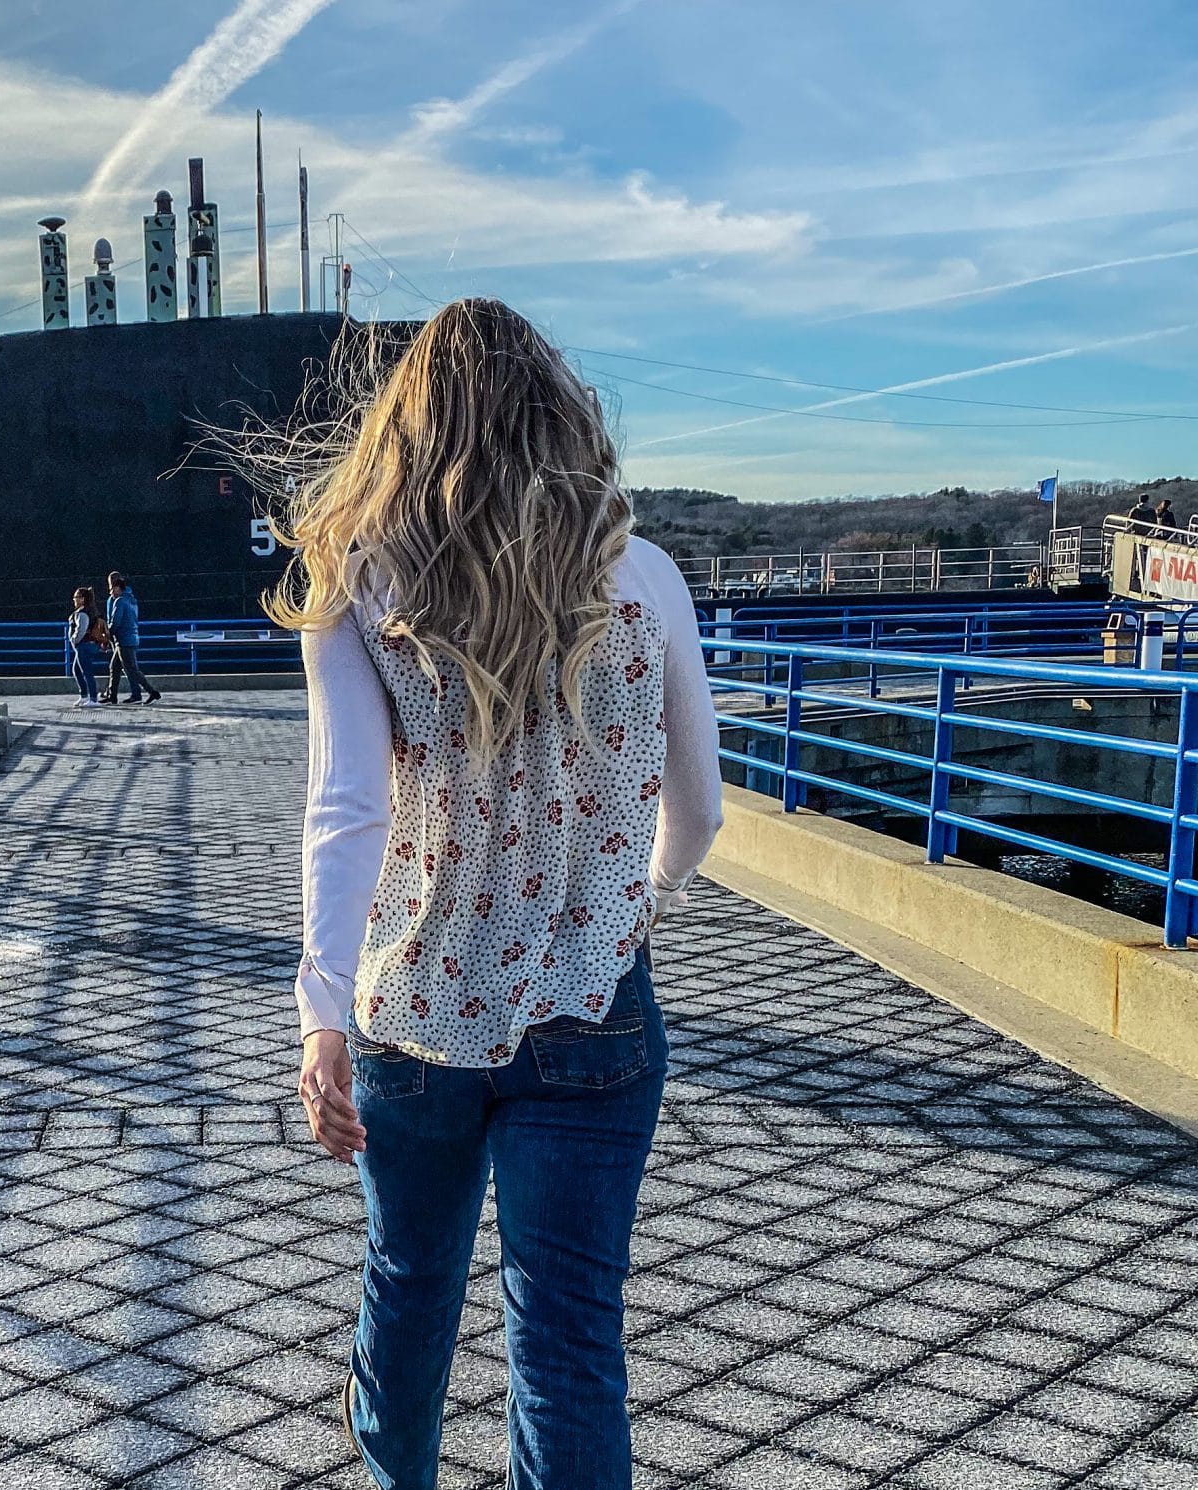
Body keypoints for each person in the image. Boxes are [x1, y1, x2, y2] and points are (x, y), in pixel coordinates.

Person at [273, 299, 723, 1488]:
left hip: (415, 1009)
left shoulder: (356, 581)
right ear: (560, 412)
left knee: (407, 1284)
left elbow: (346, 812)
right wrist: (632, 906)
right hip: (593, 1008)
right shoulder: (648, 578)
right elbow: (700, 813)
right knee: (568, 1336)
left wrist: (321, 1007)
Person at [101, 571, 161, 705]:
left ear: (117, 587)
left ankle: (152, 692)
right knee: (115, 667)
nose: (110, 592)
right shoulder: (132, 600)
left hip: (123, 640)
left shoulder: (119, 601)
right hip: (131, 637)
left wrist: (105, 637)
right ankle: (112, 695)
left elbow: (115, 622)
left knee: (131, 669)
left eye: (112, 589)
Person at [66, 586, 105, 709]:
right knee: (77, 670)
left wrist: (74, 640)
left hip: (84, 646)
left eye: (76, 597)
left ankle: (93, 698)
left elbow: (81, 630)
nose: (74, 600)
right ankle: (84, 696)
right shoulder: (89, 611)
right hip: (86, 645)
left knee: (86, 672)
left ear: (83, 599)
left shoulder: (82, 614)